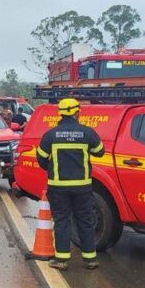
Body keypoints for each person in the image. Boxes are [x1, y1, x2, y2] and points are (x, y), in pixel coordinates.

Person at [35, 97, 105, 271]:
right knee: (85, 221)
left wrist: (52, 168)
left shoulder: (50, 135)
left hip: (58, 187)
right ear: (76, 113)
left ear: (60, 114)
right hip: (83, 187)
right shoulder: (87, 132)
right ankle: (90, 259)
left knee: (62, 221)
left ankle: (62, 260)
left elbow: (41, 159)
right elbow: (100, 152)